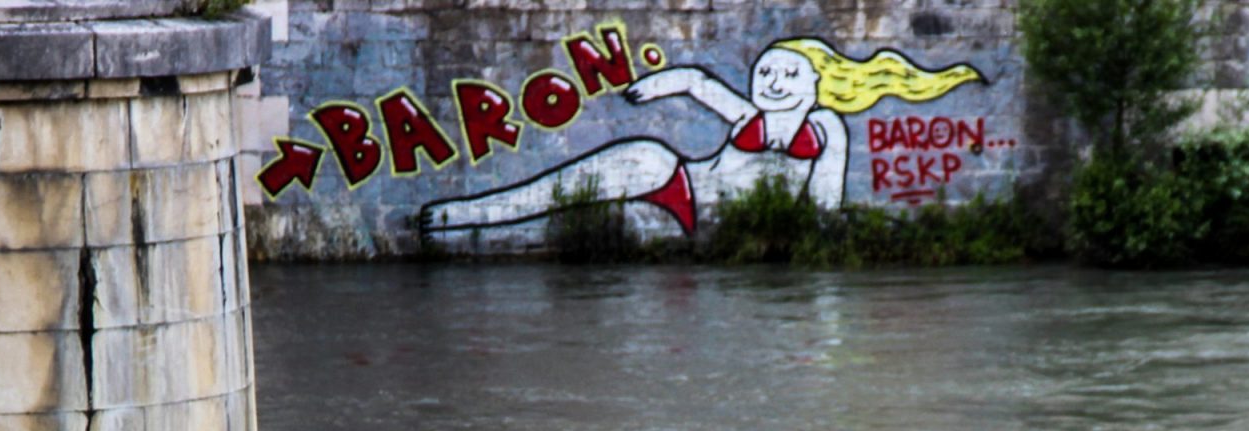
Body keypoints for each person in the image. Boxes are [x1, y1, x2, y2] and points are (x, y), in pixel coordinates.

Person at [418, 39, 982, 239]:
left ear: (818, 83)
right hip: (677, 181)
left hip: (718, 228)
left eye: (788, 75)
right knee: (578, 181)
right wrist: (655, 84)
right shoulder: (746, 116)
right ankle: (459, 215)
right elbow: (698, 83)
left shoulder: (826, 128)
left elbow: (825, 204)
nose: (773, 83)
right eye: (765, 72)